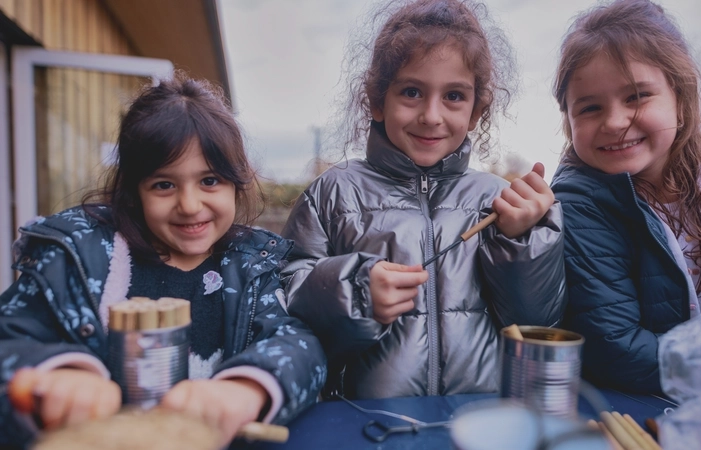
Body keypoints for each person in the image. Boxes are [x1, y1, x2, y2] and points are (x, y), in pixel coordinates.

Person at [0, 74, 326, 447]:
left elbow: (300, 344)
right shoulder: (75, 258)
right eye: (164, 185)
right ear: (135, 191)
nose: (189, 205)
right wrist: (59, 372)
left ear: (237, 183)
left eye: (209, 181)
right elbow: (9, 339)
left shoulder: (252, 266)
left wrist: (249, 387)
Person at [281, 0, 566, 399]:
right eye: (412, 92)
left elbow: (536, 322)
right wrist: (356, 290)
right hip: (362, 423)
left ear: (477, 110)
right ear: (377, 100)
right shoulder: (332, 192)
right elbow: (286, 297)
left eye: (453, 96)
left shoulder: (494, 199)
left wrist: (522, 242)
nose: (432, 115)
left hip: (476, 419)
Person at [550, 0, 701, 394]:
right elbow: (617, 350)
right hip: (644, 405)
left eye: (636, 97)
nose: (615, 121)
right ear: (569, 121)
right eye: (591, 107)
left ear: (681, 101)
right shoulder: (581, 205)